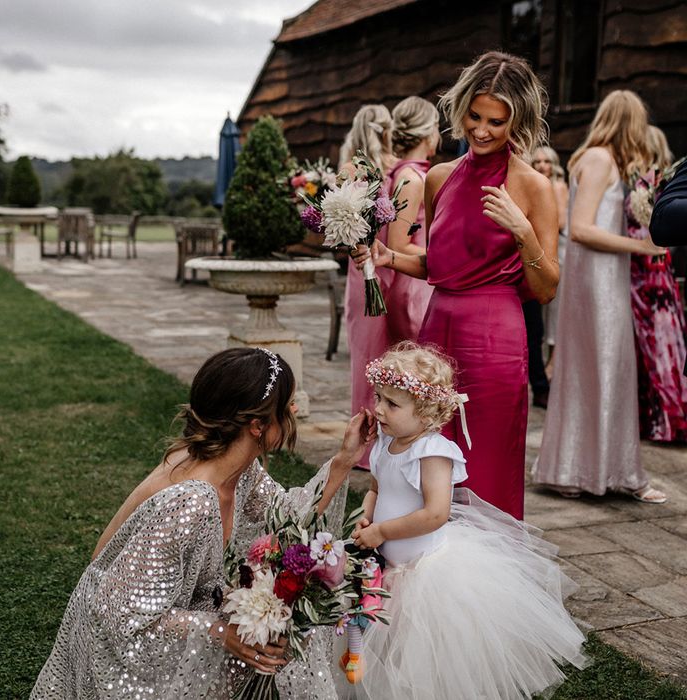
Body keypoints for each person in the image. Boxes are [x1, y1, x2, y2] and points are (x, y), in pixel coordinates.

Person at [30, 347, 376, 699]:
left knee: (277, 631)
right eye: (286, 405)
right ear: (256, 426)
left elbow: (287, 518)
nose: (295, 410)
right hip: (117, 636)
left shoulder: (239, 471)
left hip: (164, 605)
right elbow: (121, 610)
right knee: (250, 640)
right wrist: (223, 630)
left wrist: (344, 459)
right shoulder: (191, 502)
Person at [354, 52, 559, 519]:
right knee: (422, 451)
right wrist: (390, 257)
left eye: (497, 121)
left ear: (518, 121)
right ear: (461, 108)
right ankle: (417, 558)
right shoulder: (440, 178)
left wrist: (522, 230)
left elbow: (547, 287)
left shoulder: (533, 187)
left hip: (495, 338)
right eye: (474, 116)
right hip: (437, 330)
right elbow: (442, 265)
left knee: (485, 459)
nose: (482, 130)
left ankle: (484, 581)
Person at [348, 343, 586, 699]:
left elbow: (435, 513)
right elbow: (376, 489)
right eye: (379, 398)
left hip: (428, 573)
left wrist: (383, 531)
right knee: (386, 641)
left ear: (426, 412)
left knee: (430, 648)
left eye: (392, 404)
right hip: (387, 567)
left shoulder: (431, 452)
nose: (379, 409)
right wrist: (367, 518)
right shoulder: (385, 441)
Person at [533, 90, 668, 502]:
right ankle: (603, 472)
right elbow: (581, 228)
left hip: (604, 276)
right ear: (629, 122)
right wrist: (642, 246)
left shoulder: (604, 160)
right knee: (606, 366)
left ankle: (593, 469)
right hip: (596, 280)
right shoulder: (598, 159)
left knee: (601, 368)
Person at [346, 97, 440, 468]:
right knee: (416, 366)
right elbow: (400, 242)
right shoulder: (412, 177)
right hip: (413, 281)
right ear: (427, 133)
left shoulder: (399, 172)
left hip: (402, 278)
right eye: (436, 128)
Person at [625, 125, 687, 441]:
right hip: (642, 272)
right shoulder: (646, 183)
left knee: (664, 341)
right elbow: (662, 224)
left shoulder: (656, 179)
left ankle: (668, 416)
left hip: (655, 272)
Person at [532, 145, 570, 379]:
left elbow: (561, 222)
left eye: (546, 161)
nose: (542, 166)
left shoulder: (556, 186)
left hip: (559, 250)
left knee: (555, 309)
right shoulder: (537, 185)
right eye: (537, 162)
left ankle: (554, 362)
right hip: (544, 249)